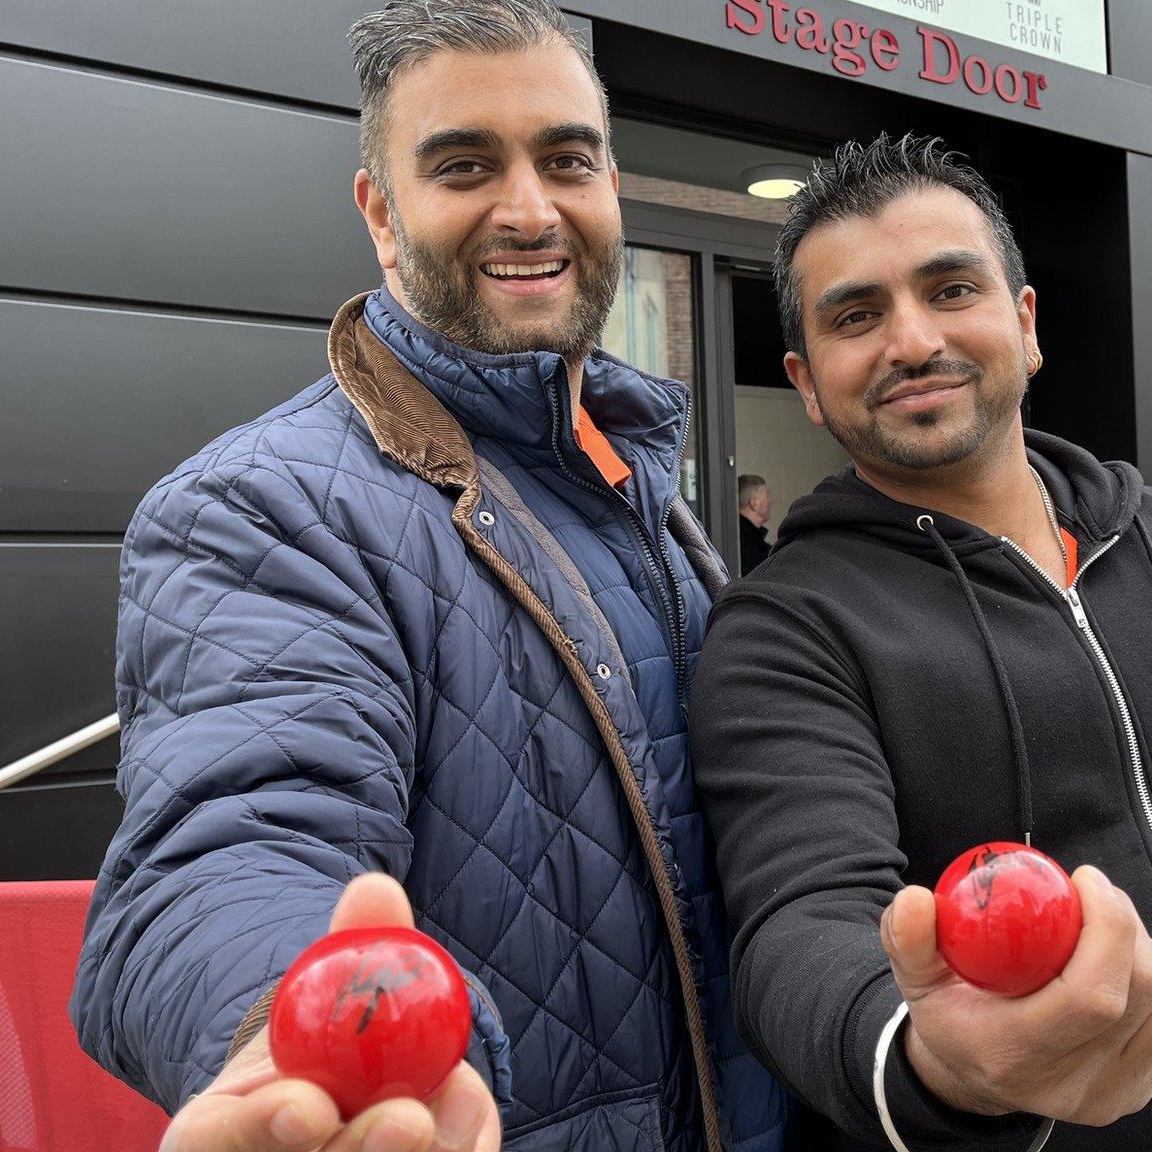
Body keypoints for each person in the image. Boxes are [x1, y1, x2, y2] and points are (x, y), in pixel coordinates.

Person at [69, 4, 787, 1151]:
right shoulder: (266, 506)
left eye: (566, 159)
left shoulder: (630, 477)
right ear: (379, 213)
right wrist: (287, 1030)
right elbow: (231, 845)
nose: (528, 207)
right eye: (463, 164)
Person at [688, 135, 1152, 1151]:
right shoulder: (784, 631)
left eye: (950, 290)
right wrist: (928, 1063)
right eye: (856, 316)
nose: (911, 341)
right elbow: (799, 919)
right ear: (807, 381)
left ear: (1024, 323)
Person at [737, 475, 774, 575]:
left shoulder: (739, 536)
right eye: (767, 496)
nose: (771, 502)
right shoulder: (746, 545)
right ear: (754, 503)